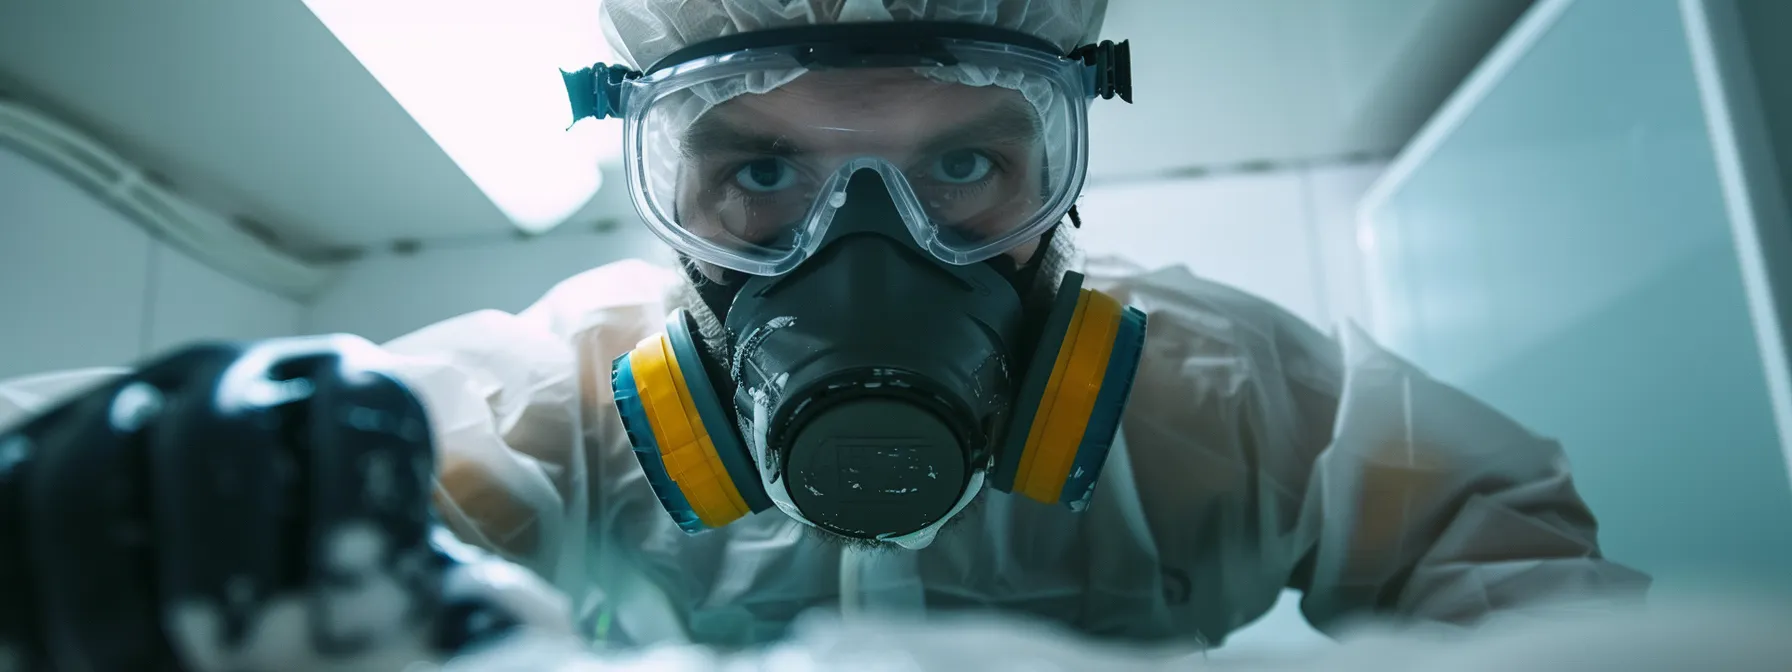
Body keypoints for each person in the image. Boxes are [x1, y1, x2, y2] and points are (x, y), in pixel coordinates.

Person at [0, 0, 1648, 660]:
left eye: (963, 166)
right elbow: (290, 489)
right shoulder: (555, 406)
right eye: (761, 171)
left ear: (1060, 173)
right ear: (660, 181)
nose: (869, 248)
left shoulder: (1230, 397)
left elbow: (1518, 572)